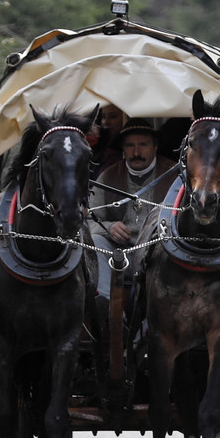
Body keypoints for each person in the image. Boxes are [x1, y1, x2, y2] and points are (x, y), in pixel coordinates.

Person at [89, 119, 174, 295]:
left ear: (155, 147)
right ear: (123, 149)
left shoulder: (174, 175)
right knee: (95, 242)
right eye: (130, 145)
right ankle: (105, 303)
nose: (136, 152)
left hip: (159, 258)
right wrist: (109, 228)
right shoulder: (108, 176)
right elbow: (88, 219)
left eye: (143, 145)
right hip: (121, 255)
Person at [90, 103, 127, 177]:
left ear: (125, 118)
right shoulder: (96, 146)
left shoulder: (126, 150)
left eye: (113, 116)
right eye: (103, 117)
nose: (106, 122)